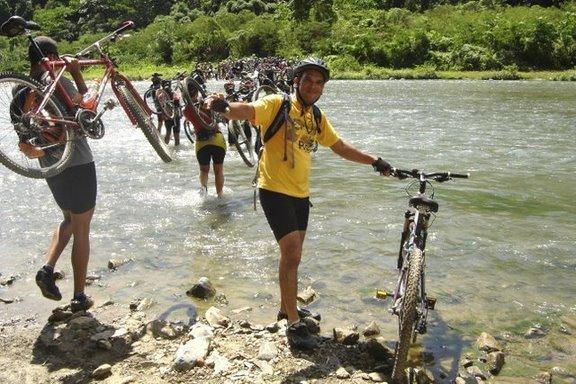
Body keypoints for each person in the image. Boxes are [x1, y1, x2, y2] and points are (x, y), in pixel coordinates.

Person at [204, 58, 392, 349]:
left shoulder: (316, 116)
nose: (313, 86)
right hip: (274, 190)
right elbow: (247, 110)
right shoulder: (276, 104)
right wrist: (224, 107)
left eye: (319, 82)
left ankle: (286, 307)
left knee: (293, 256)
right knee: (291, 254)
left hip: (301, 195)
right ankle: (293, 324)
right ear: (296, 81)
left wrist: (374, 161)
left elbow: (339, 147)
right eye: (308, 80)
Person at [23, 36, 96, 312]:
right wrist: (77, 74)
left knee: (69, 219)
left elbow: (24, 141)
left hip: (51, 167)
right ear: (52, 56)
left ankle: (46, 269)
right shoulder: (57, 79)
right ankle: (79, 296)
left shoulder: (22, 89)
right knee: (82, 228)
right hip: (77, 161)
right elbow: (85, 110)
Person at [182, 80, 227, 197]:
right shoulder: (207, 102)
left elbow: (189, 118)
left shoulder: (185, 110)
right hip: (217, 138)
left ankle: (203, 191)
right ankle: (220, 195)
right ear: (197, 93)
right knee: (218, 170)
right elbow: (222, 99)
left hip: (201, 142)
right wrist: (212, 96)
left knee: (203, 170)